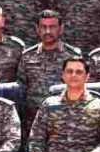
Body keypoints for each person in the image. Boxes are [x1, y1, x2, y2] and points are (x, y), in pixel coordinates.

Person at [17, 10, 82, 144]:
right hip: (33, 120)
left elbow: (80, 87)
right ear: (37, 29)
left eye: (52, 27)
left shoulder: (72, 56)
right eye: (43, 27)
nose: (48, 31)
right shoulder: (27, 56)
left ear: (61, 29)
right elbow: (21, 88)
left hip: (64, 119)